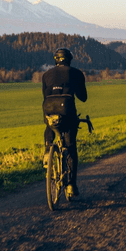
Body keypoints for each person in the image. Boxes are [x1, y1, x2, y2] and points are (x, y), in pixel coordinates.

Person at [42, 48, 87, 196]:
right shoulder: (76, 73)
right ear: (69, 59)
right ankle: (71, 185)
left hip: (48, 109)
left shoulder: (46, 74)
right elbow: (83, 97)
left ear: (55, 59)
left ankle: (48, 149)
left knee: (49, 123)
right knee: (70, 146)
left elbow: (45, 95)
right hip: (67, 111)